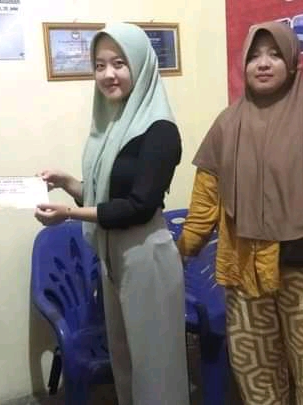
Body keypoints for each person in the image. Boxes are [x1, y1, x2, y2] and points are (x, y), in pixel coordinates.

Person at [177, 21, 303, 405]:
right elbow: (206, 195)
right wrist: (185, 246)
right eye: (254, 56)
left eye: (275, 55)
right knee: (255, 372)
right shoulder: (227, 123)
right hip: (244, 265)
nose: (263, 64)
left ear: (293, 62)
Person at [34, 22, 190, 404]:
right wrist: (67, 182)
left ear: (140, 64)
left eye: (119, 63)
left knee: (156, 367)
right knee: (125, 362)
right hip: (112, 255)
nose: (108, 74)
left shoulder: (159, 130)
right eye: (100, 65)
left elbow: (138, 206)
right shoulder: (112, 125)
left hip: (146, 256)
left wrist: (70, 213)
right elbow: (105, 195)